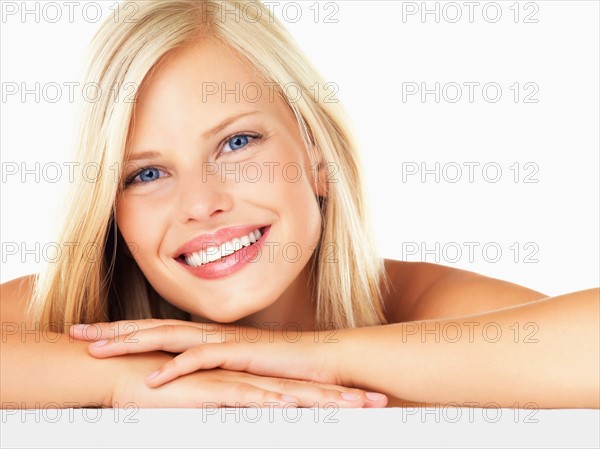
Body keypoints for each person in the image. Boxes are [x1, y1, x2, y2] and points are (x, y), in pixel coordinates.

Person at [1, 0, 598, 409]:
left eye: (237, 142)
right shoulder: (81, 314)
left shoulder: (416, 303)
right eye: (147, 173)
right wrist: (124, 381)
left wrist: (310, 357)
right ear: (110, 208)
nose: (202, 203)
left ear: (316, 155)